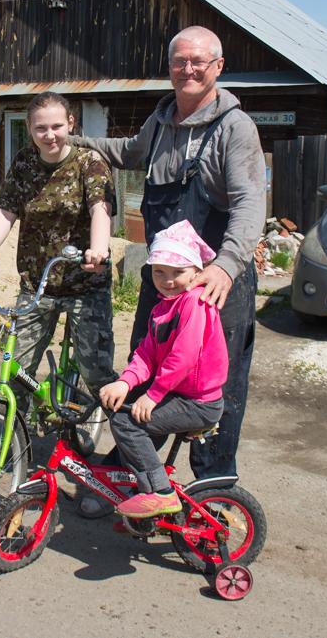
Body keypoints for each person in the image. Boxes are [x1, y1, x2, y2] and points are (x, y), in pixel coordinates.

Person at [70, 25, 265, 508]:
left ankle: (214, 492)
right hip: (163, 283)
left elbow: (248, 203)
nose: (188, 69)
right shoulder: (159, 123)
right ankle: (129, 477)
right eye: (180, 61)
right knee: (146, 364)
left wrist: (225, 266)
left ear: (218, 67)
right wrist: (76, 142)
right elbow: (128, 154)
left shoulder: (234, 128)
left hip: (218, 284)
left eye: (199, 61)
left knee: (216, 388)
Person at [0, 91, 117, 402]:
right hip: (37, 285)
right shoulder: (24, 162)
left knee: (97, 375)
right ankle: (15, 439)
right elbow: (7, 210)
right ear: (30, 129)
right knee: (16, 370)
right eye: (40, 129)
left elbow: (101, 208)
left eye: (57, 126)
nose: (50, 136)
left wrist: (99, 249)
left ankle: (125, 443)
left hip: (85, 283)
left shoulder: (90, 163)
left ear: (70, 123)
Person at [99, 220, 227, 518]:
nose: (168, 280)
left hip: (199, 402)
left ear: (197, 272)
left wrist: (153, 395)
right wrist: (126, 383)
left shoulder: (195, 302)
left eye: (178, 272)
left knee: (127, 424)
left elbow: (183, 357)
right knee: (127, 414)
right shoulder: (164, 306)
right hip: (183, 396)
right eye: (160, 272)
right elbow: (146, 354)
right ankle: (143, 489)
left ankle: (159, 491)